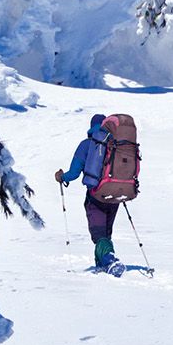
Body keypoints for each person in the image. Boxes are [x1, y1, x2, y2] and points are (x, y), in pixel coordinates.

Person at [56, 114, 123, 276]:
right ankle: (101, 263)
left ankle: (110, 260)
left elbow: (73, 173)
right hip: (116, 195)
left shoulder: (87, 145)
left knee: (99, 233)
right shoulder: (116, 144)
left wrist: (61, 177)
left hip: (96, 194)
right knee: (105, 231)